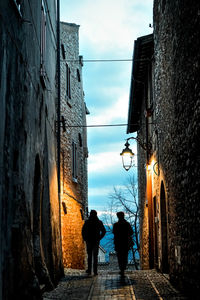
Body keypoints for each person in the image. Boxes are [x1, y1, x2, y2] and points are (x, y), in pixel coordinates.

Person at [82, 210, 106, 275]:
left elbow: (83, 231)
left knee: (90, 256)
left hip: (89, 241)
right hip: (95, 241)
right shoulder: (99, 222)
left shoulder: (87, 222)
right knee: (95, 256)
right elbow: (104, 231)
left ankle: (90, 270)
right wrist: (99, 238)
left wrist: (85, 238)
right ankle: (95, 271)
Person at [113, 211, 133, 276]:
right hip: (125, 243)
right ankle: (123, 268)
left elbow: (114, 233)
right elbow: (131, 232)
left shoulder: (116, 225)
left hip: (118, 243)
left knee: (120, 256)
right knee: (125, 256)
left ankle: (121, 269)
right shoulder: (127, 224)